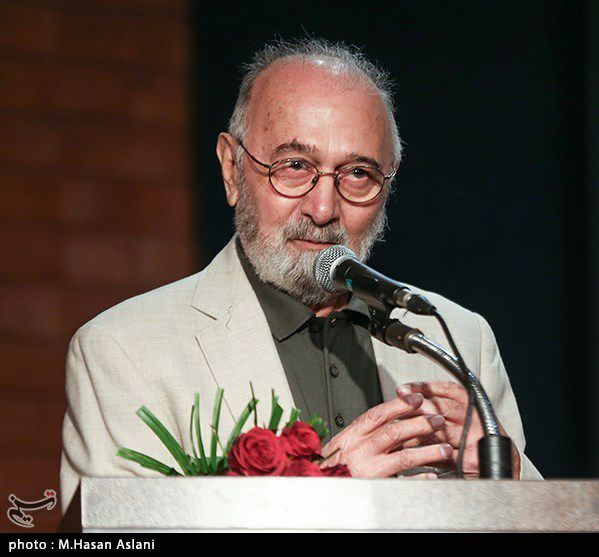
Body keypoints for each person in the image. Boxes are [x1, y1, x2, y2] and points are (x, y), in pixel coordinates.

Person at [59, 38, 543, 514]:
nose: (323, 208)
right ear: (231, 169)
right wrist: (325, 495)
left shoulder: (457, 339)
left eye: (358, 174)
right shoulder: (125, 351)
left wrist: (510, 484)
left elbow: (546, 520)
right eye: (294, 166)